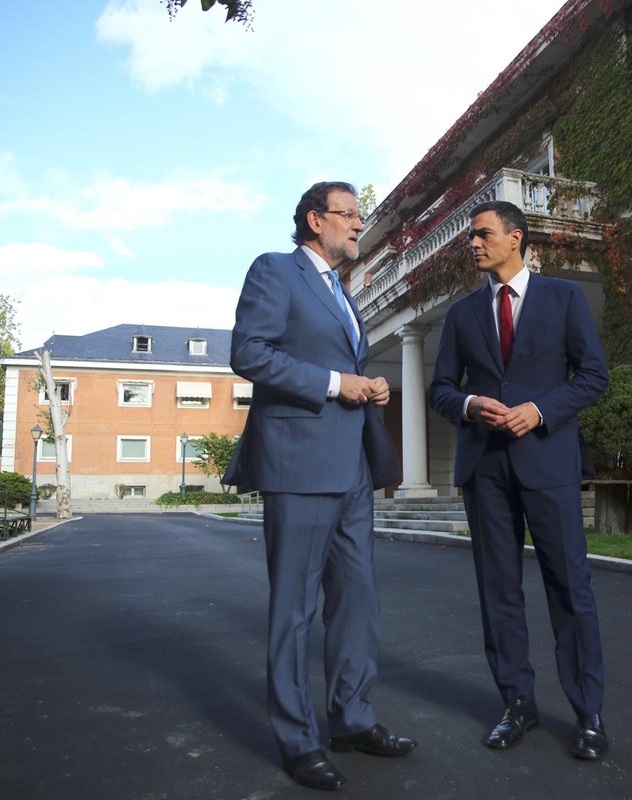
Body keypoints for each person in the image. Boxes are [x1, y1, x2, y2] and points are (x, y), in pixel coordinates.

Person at [225, 181, 415, 791]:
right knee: (295, 610)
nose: (360, 225)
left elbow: (344, 364)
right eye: (350, 215)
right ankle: (298, 739)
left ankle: (353, 719)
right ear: (315, 219)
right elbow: (249, 353)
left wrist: (368, 385)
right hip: (298, 465)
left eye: (361, 215)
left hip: (352, 469)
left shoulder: (343, 294)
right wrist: (337, 383)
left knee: (357, 601)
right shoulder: (276, 271)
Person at [429, 200, 610, 760]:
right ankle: (517, 704)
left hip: (547, 462)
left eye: (482, 234)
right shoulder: (461, 314)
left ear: (516, 238)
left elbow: (594, 376)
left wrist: (540, 410)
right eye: (471, 238)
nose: (474, 245)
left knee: (569, 588)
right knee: (498, 591)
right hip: (485, 469)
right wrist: (467, 403)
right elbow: (439, 389)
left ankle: (588, 714)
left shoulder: (563, 298)